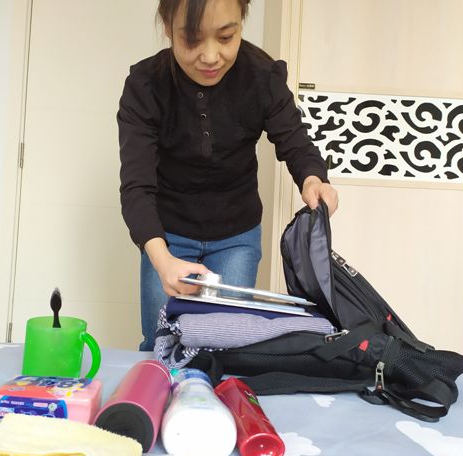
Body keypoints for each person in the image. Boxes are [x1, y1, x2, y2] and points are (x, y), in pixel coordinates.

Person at [118, 0, 339, 351]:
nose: (210, 57)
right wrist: (162, 260)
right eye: (192, 39)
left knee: (226, 346)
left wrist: (313, 178)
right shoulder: (146, 85)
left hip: (237, 235)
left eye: (225, 37)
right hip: (168, 234)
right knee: (161, 343)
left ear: (241, 23)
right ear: (168, 28)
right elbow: (136, 186)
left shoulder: (262, 76)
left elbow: (295, 142)